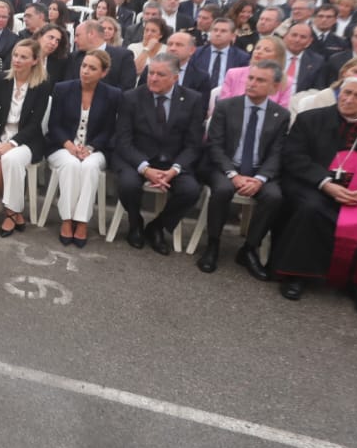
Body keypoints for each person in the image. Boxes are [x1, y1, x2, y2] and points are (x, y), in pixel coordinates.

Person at [273, 74, 357, 319]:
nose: (348, 99)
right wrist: (325, 184)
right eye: (346, 93)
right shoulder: (310, 119)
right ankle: (297, 275)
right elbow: (295, 157)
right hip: (314, 185)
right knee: (311, 209)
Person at [198, 60, 288, 278]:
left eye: (260, 80)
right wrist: (233, 174)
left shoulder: (280, 115)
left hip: (259, 171)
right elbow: (215, 146)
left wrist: (260, 178)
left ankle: (249, 249)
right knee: (223, 190)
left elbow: (277, 153)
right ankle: (213, 244)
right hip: (225, 167)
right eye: (251, 78)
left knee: (274, 196)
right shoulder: (226, 106)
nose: (252, 83)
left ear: (274, 87)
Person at [112, 52, 205, 255]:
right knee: (127, 184)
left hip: (173, 161)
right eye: (151, 73)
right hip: (138, 158)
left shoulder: (192, 99)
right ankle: (135, 222)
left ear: (175, 77)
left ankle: (158, 226)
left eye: (160, 75)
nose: (153, 78)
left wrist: (175, 169)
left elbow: (193, 144)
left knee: (190, 191)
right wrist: (145, 169)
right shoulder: (132, 97)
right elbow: (123, 141)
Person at [47, 48, 119, 247]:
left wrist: (92, 147)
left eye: (92, 68)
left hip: (95, 149)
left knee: (88, 167)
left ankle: (82, 221)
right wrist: (69, 145)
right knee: (71, 165)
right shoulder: (63, 88)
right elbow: (54, 125)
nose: (85, 71)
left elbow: (110, 130)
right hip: (62, 146)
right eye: (84, 66)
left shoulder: (112, 95)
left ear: (103, 73)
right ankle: (67, 219)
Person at [0, 38, 51, 236]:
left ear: (35, 60)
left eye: (24, 57)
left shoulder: (43, 85)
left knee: (9, 159)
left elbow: (35, 122)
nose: (17, 60)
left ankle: (9, 213)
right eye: (16, 55)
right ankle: (14, 211)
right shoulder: (2, 79)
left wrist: (11, 143)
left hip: (26, 140)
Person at [218, 35, 291, 110]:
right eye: (257, 48)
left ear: (278, 57)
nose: (259, 52)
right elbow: (223, 106)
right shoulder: (233, 74)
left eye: (267, 50)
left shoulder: (285, 81)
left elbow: (281, 112)